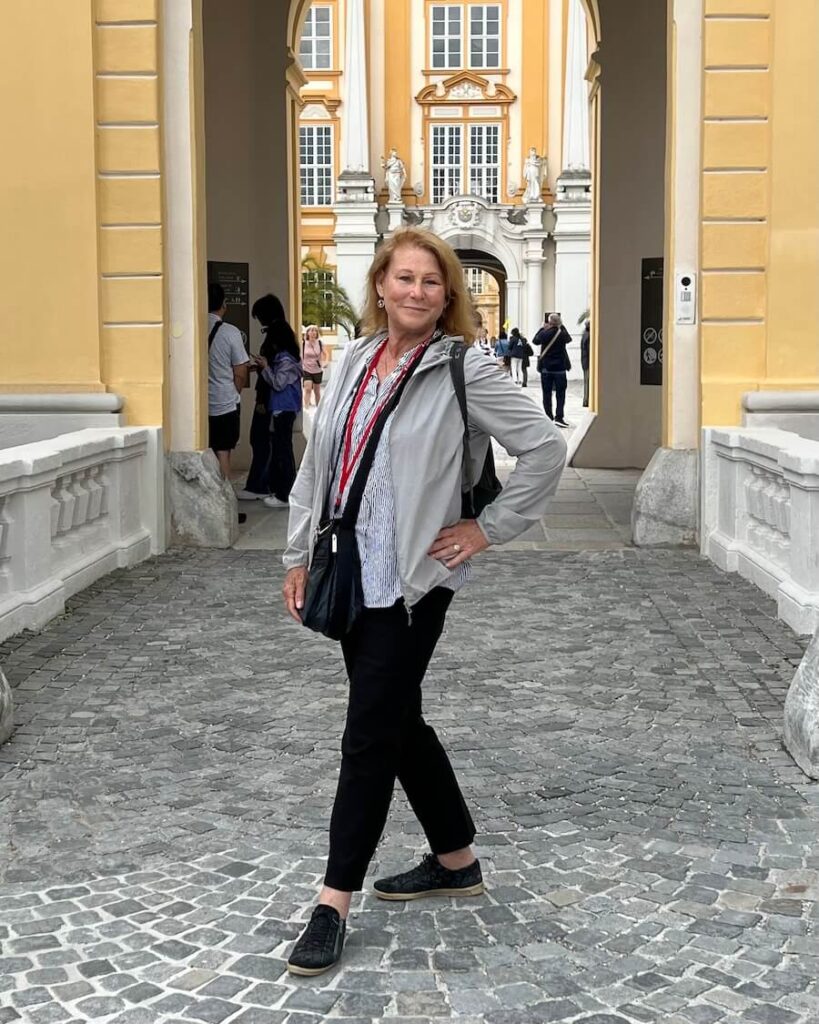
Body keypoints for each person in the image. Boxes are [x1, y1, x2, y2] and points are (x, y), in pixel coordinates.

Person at [281, 226, 567, 976]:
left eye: (430, 282)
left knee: (368, 731)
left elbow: (544, 447)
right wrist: (296, 551)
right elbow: (320, 465)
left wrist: (487, 529)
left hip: (413, 581)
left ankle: (332, 899)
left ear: (447, 297)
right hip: (349, 568)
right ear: (380, 285)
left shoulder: (464, 368)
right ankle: (456, 857)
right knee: (395, 717)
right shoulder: (350, 363)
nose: (414, 291)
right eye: (402, 278)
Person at [237, 294, 299, 500]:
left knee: (266, 442)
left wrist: (263, 368)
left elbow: (277, 378)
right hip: (273, 400)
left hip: (272, 400)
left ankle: (263, 486)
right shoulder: (282, 337)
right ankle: (269, 486)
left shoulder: (278, 339)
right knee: (272, 444)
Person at [207, 282, 251, 480]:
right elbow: (241, 370)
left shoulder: (195, 328)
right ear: (224, 304)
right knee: (223, 451)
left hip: (200, 403)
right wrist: (235, 390)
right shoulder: (230, 332)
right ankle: (225, 502)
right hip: (224, 402)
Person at [533, 312, 572, 427]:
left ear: (549, 322)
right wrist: (561, 325)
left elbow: (535, 341)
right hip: (560, 368)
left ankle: (549, 417)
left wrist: (541, 328)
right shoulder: (562, 333)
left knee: (546, 393)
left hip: (546, 368)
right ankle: (559, 417)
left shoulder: (545, 333)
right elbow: (569, 339)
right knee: (561, 394)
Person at [302, 324, 329, 407]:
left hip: (317, 369)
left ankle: (318, 407)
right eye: (312, 330)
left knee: (317, 391)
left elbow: (326, 354)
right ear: (308, 333)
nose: (314, 332)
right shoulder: (303, 344)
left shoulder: (320, 343)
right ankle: (306, 407)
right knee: (308, 389)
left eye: (315, 331)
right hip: (306, 369)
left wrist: (326, 362)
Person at [581, 319, 590, 407]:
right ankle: (586, 400)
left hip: (585, 361)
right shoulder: (589, 335)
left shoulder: (584, 334)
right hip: (588, 362)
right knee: (588, 382)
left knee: (586, 382)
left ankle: (586, 400)